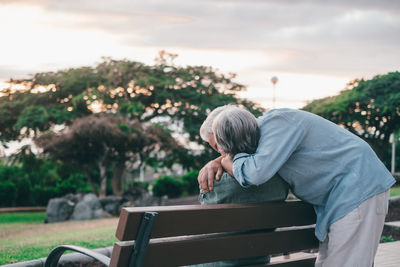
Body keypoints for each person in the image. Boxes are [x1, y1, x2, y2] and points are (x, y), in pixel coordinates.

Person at [198, 105, 395, 267]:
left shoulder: (277, 123)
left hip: (358, 188)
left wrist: (222, 162)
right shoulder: (267, 145)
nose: (223, 152)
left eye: (219, 146)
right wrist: (217, 162)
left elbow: (253, 174)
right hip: (345, 197)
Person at [191, 106, 289, 267]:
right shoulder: (281, 179)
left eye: (217, 146)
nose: (219, 153)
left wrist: (222, 162)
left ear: (222, 140)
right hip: (260, 261)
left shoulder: (214, 181)